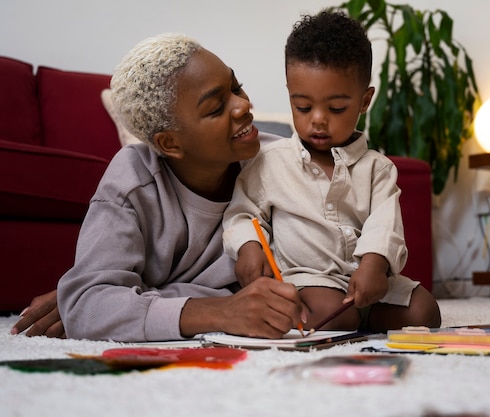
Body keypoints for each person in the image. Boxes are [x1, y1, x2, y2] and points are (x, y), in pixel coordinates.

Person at [12, 33, 306, 342]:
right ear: (170, 143)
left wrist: (137, 300)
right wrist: (223, 311)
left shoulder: (283, 163)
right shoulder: (132, 181)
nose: (244, 104)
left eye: (236, 86)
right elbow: (87, 305)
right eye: (217, 107)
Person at [222, 10, 441, 332]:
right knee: (330, 311)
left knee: (425, 311)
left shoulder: (377, 169)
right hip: (308, 279)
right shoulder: (270, 162)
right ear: (290, 94)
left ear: (365, 100)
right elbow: (242, 213)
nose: (319, 119)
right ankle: (344, 320)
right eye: (303, 107)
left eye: (337, 108)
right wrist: (248, 246)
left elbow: (385, 225)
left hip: (367, 280)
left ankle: (363, 317)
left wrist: (375, 264)